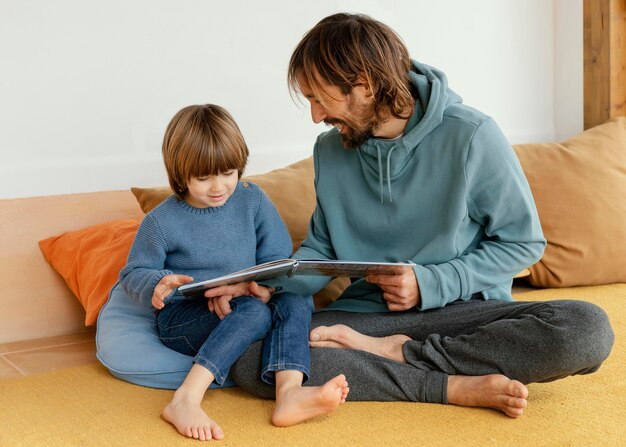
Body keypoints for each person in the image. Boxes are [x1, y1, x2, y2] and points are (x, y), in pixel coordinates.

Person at [207, 13, 615, 418]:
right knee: (252, 355)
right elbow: (322, 251)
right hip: (365, 320)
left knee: (586, 328)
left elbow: (523, 244)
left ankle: (400, 354)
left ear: (364, 86)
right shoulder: (330, 152)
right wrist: (267, 286)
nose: (316, 116)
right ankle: (449, 385)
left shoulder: (471, 135)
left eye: (319, 98)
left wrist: (431, 282)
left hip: (464, 315)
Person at [119, 104, 349, 441]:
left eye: (228, 172)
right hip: (185, 317)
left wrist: (261, 287)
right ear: (180, 174)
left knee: (296, 299)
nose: (219, 186)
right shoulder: (162, 221)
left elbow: (277, 258)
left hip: (246, 299)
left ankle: (289, 395)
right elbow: (134, 272)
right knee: (256, 313)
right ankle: (185, 399)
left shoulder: (252, 200)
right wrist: (157, 283)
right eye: (204, 177)